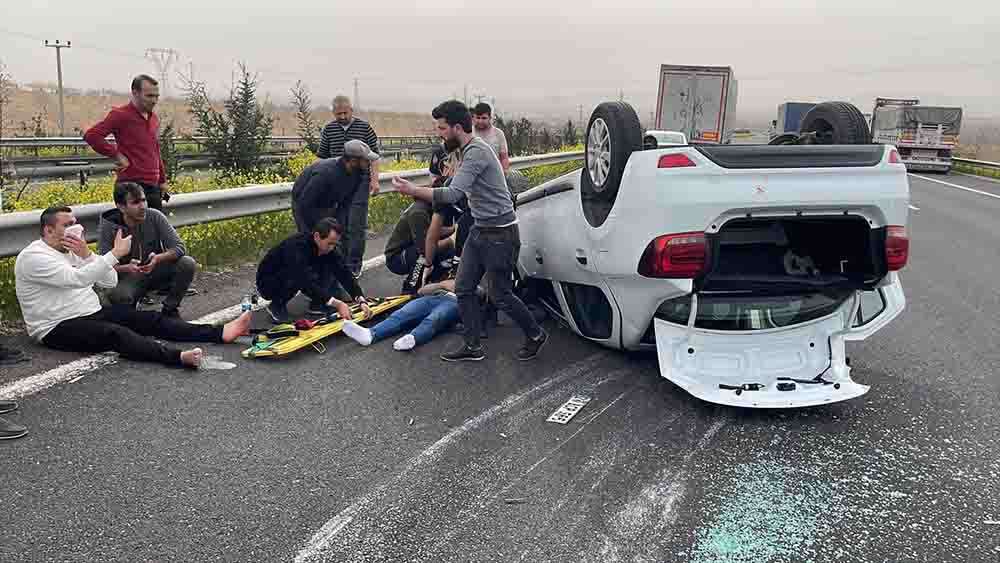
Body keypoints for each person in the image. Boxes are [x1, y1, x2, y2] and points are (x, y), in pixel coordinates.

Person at [392, 100, 547, 362]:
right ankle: (473, 346)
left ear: (456, 127)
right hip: (480, 229)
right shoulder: (465, 150)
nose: (439, 133)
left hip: (500, 234)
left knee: (500, 294)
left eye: (442, 128)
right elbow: (455, 183)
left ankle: (535, 334)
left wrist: (413, 190)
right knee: (463, 287)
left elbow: (453, 193)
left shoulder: (476, 151)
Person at [14, 206, 251, 369]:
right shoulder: (35, 257)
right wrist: (115, 254)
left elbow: (108, 282)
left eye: (75, 223)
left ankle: (219, 333)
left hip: (89, 313)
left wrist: (87, 254)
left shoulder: (71, 250)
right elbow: (77, 280)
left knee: (148, 320)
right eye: (68, 225)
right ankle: (177, 357)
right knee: (116, 334)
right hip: (55, 327)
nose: (76, 229)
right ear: (48, 230)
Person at [98, 182, 196, 318]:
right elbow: (103, 265)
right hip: (128, 277)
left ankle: (170, 309)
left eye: (144, 200)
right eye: (135, 202)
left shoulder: (154, 216)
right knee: (119, 297)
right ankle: (131, 313)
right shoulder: (110, 226)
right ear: (121, 207)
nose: (142, 206)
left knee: (187, 263)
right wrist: (127, 268)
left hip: (154, 270)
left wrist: (157, 258)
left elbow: (179, 247)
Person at [255, 218, 372, 324]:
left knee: (331, 265)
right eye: (330, 243)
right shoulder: (297, 247)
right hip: (268, 281)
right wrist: (338, 303)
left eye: (335, 244)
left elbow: (344, 273)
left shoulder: (328, 249)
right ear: (317, 236)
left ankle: (318, 303)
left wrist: (360, 299)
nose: (332, 248)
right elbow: (304, 282)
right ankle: (277, 305)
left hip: (298, 275)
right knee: (297, 276)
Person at [317, 95, 382, 277]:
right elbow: (322, 158)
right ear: (333, 113)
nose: (343, 116)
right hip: (336, 182)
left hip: (360, 181)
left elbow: (375, 156)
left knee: (356, 224)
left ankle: (354, 263)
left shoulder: (363, 127)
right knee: (339, 223)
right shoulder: (329, 130)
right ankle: (340, 261)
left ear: (351, 110)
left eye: (346, 112)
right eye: (339, 114)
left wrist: (375, 180)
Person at [84, 74, 170, 211]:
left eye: (156, 96)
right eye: (149, 96)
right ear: (135, 93)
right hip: (131, 186)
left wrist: (162, 180)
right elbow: (92, 136)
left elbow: (155, 149)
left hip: (152, 186)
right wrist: (116, 155)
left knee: (155, 230)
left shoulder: (153, 118)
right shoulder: (120, 115)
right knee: (135, 231)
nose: (154, 101)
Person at [342, 273, 464, 351]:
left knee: (435, 318)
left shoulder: (474, 272)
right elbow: (421, 291)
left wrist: (462, 287)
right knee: (403, 313)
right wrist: (442, 284)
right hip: (434, 296)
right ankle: (370, 335)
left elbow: (480, 294)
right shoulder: (448, 272)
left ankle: (413, 337)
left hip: (457, 301)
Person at [291, 140, 380, 235]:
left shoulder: (357, 173)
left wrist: (340, 227)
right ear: (353, 161)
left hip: (327, 203)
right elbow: (305, 203)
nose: (369, 163)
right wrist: (320, 227)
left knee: (338, 236)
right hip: (304, 203)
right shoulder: (326, 173)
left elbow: (346, 204)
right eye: (366, 160)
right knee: (314, 238)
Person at [472, 103, 510, 172]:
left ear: (490, 118)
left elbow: (504, 157)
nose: (480, 121)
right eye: (478, 118)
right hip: (473, 176)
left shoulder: (498, 133)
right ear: (473, 118)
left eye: (484, 118)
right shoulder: (468, 133)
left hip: (493, 176)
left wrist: (504, 174)